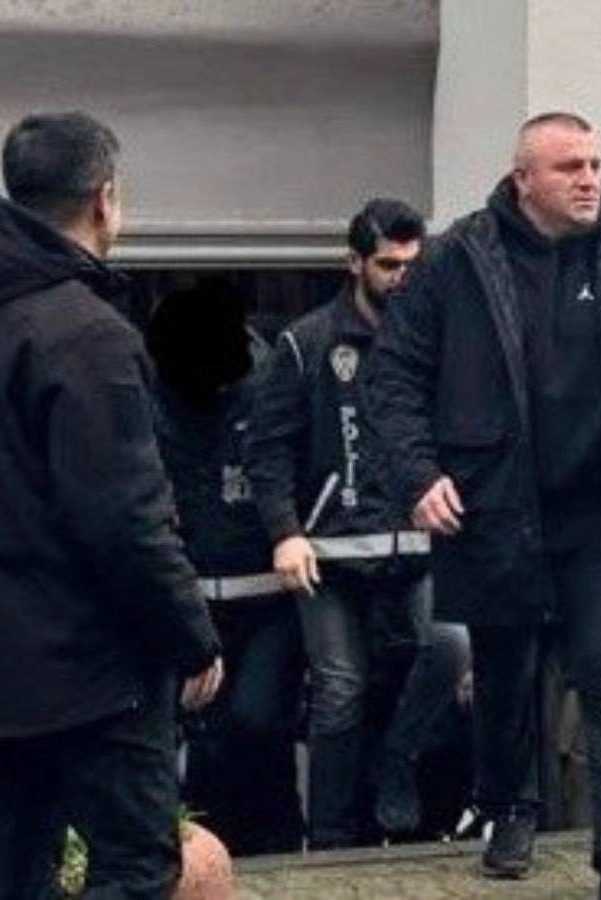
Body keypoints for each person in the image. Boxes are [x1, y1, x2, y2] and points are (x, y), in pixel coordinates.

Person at [366, 112, 601, 900]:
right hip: (496, 504)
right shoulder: (457, 260)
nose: (589, 179)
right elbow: (394, 376)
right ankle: (511, 809)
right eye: (569, 167)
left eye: (594, 163)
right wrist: (420, 476)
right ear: (523, 179)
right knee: (505, 675)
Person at [0, 111, 222, 898]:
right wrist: (190, 635)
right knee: (134, 867)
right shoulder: (87, 335)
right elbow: (122, 517)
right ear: (104, 198)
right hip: (92, 670)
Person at [245, 198, 471, 849]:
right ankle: (331, 839)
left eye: (412, 265)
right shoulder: (307, 342)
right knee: (339, 689)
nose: (403, 278)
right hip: (329, 551)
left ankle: (396, 760)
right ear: (354, 262)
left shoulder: (437, 341)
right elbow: (268, 449)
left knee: (451, 646)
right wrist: (285, 531)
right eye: (389, 265)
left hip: (420, 544)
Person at [147, 281, 307, 856]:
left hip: (264, 599)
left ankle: (278, 844)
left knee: (257, 720)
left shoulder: (268, 385)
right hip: (190, 599)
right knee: (203, 732)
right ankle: (212, 850)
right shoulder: (154, 394)